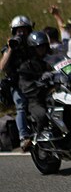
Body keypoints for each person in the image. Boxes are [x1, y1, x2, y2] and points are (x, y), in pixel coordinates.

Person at [0, 15, 34, 150]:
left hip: (35, 79)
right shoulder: (9, 47)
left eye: (24, 30)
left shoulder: (33, 43)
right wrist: (10, 48)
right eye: (18, 30)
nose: (21, 33)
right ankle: (24, 137)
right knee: (21, 106)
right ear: (14, 32)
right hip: (18, 83)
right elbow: (2, 67)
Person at [17, 31, 53, 136]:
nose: (42, 49)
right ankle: (39, 138)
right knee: (42, 114)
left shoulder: (51, 60)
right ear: (32, 49)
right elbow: (24, 85)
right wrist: (38, 83)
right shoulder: (26, 66)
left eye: (43, 46)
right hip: (37, 99)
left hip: (54, 95)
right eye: (38, 47)